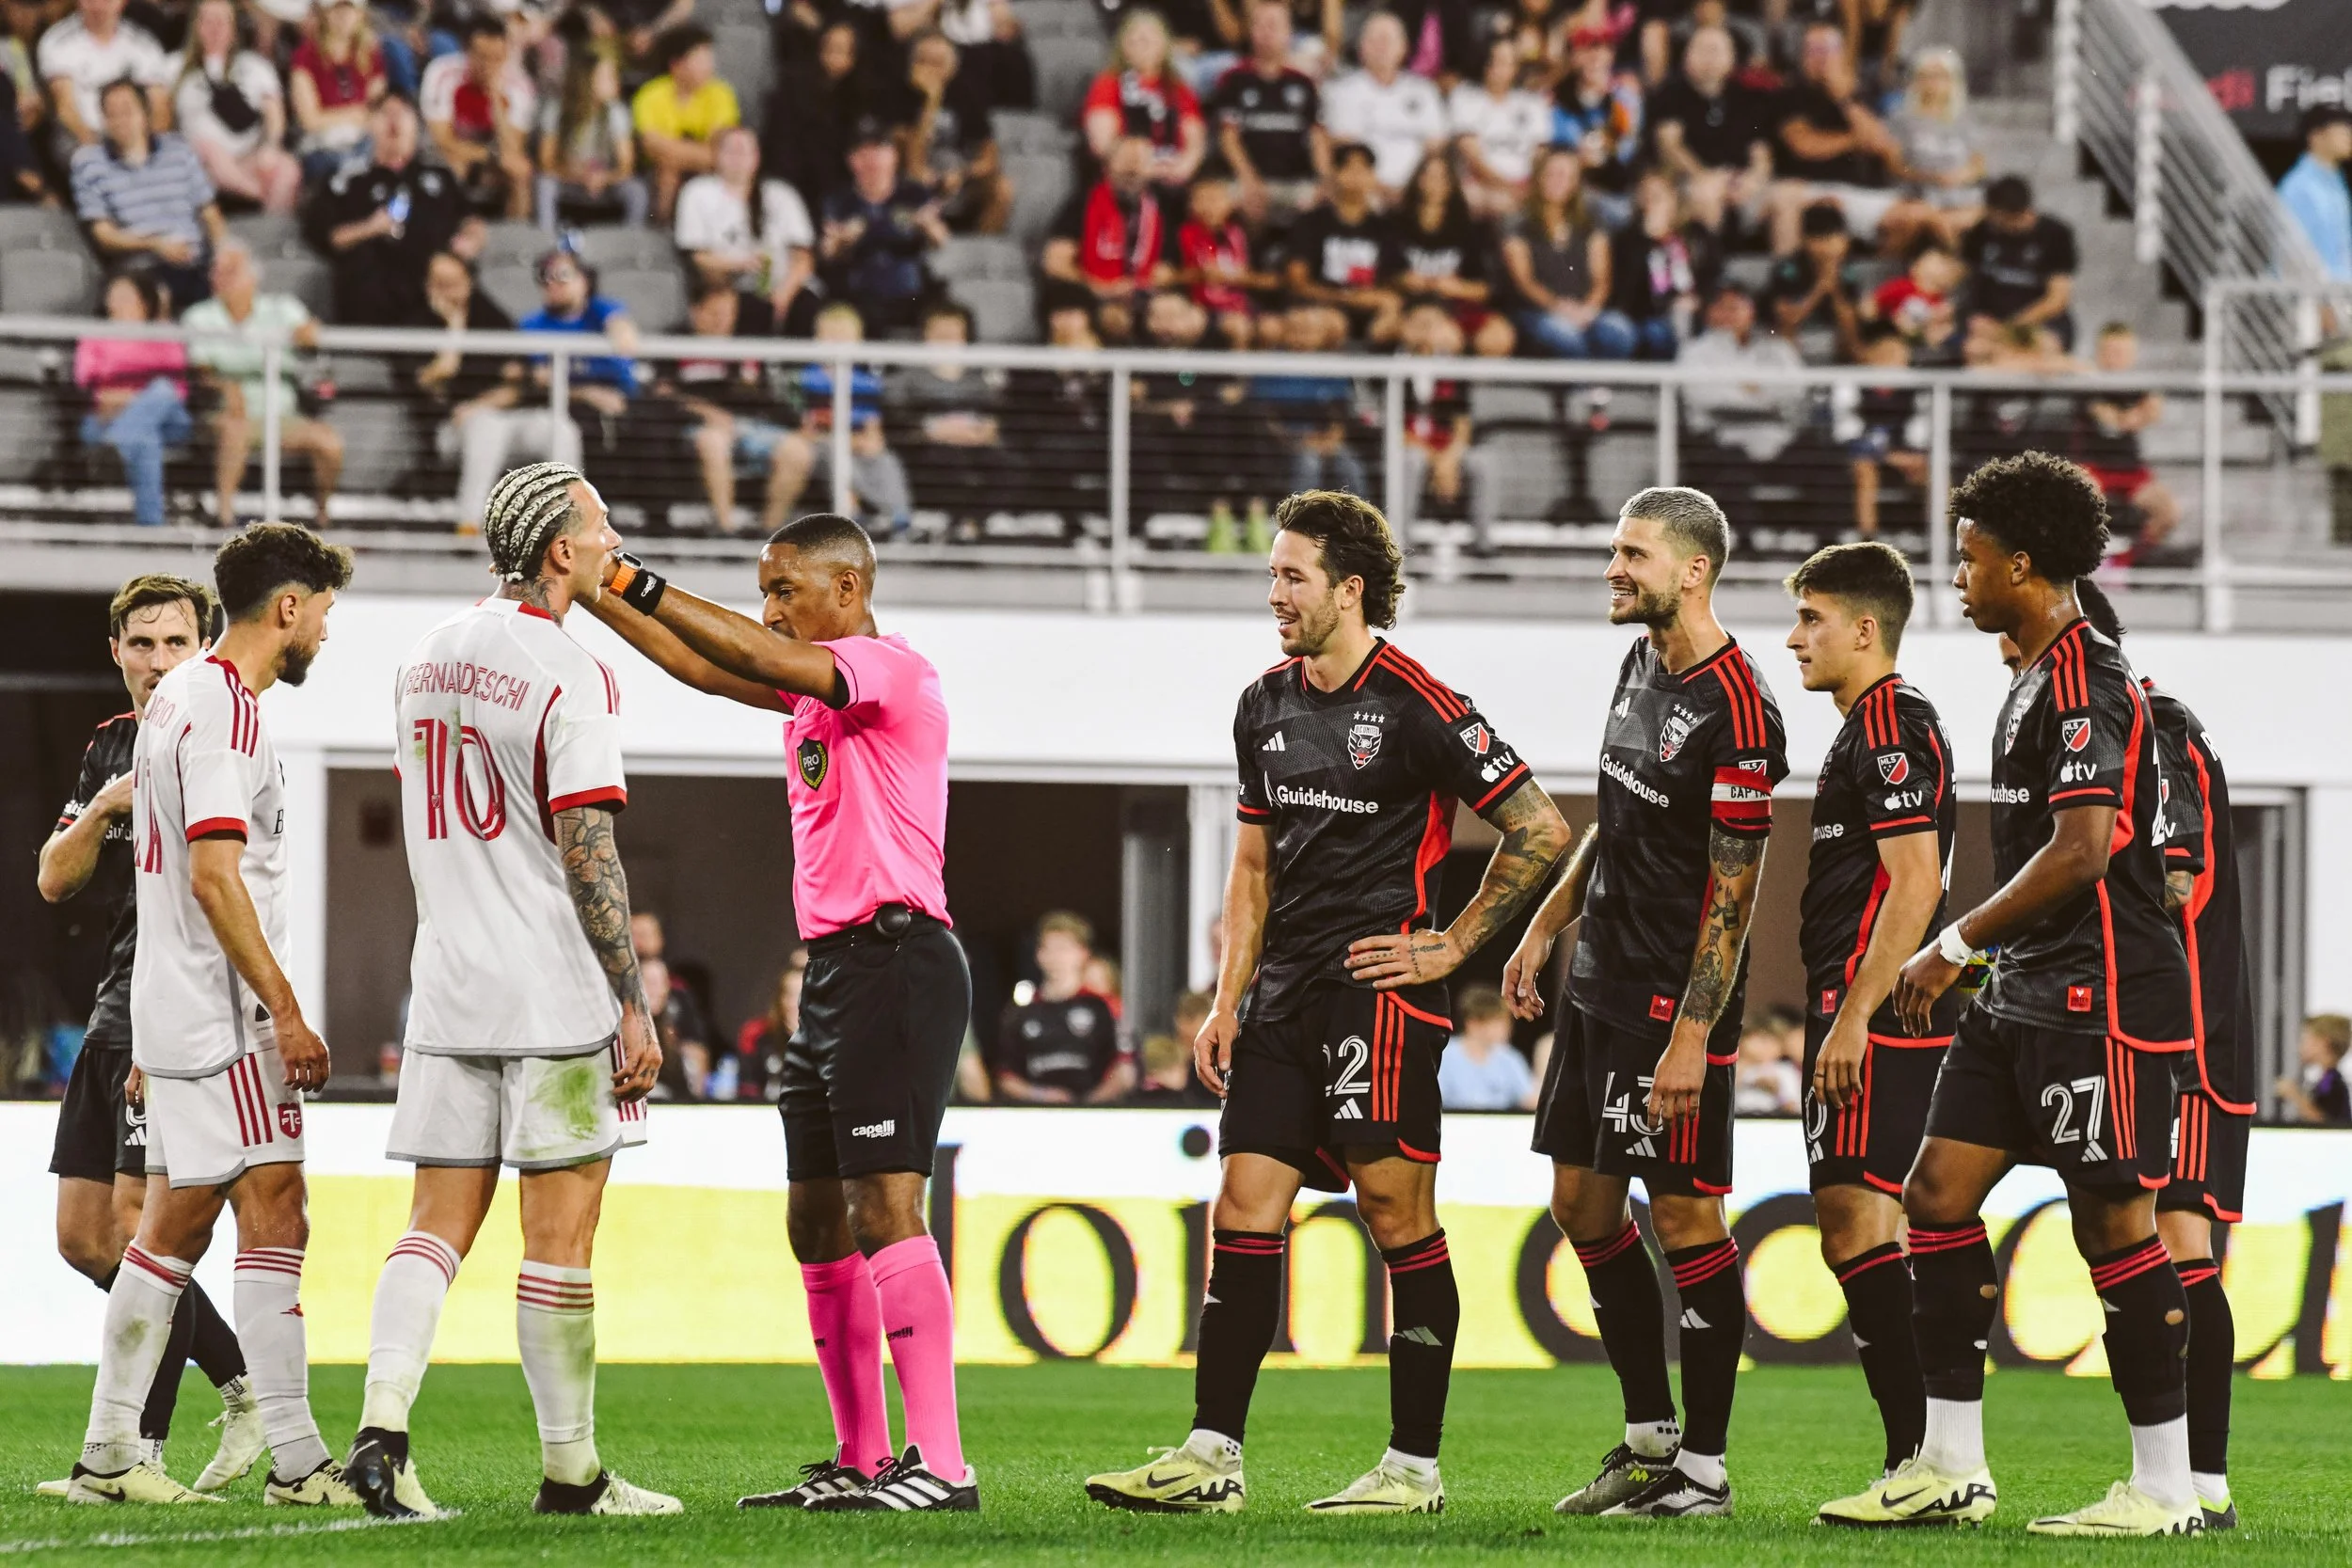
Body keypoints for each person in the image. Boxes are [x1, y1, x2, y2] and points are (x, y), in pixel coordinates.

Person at [1085, 490, 1570, 1516]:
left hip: (1378, 998)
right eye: (1271, 574)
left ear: (1350, 589)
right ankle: (1211, 1455)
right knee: (1242, 1209)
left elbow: (1540, 827)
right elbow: (1252, 866)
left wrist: (1452, 943)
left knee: (1397, 1217)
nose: (1275, 593)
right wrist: (1226, 998)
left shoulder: (1420, 702)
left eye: (1291, 575)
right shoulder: (1261, 704)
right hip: (1280, 999)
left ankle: (1413, 1468)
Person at [585, 514, 976, 1512]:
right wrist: (587, 590)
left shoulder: (890, 669)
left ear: (847, 589)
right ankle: (863, 1455)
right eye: (763, 591)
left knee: (886, 1205)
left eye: (783, 589)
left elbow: (750, 654)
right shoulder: (814, 693)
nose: (767, 610)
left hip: (898, 958)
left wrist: (626, 577)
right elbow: (705, 666)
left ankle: (941, 1464)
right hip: (835, 971)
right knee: (816, 1221)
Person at [1856, 451, 2201, 1535]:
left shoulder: (2086, 681)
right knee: (1934, 1194)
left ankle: (2166, 1487)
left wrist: (1951, 941)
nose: (1955, 577)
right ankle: (1949, 1465)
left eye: (1967, 558)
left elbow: (2083, 849)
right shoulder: (2029, 676)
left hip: (2102, 996)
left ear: (2019, 563)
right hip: (2021, 995)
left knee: (2112, 1224)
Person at [342, 464, 675, 1521]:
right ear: (562, 550)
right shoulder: (572, 668)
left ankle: (380, 1432)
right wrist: (632, 998)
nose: (615, 540)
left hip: (447, 984)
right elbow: (587, 848)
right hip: (554, 992)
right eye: (603, 525)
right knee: (560, 1241)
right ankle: (572, 1473)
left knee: (432, 1227)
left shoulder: (423, 656)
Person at [1506, 485, 1788, 1518]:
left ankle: (1703, 1471)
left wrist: (1692, 1034)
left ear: (1693, 569)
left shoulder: (1741, 708)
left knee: (1682, 1213)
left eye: (1632, 554)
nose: (1613, 569)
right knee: (1579, 1205)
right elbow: (1615, 818)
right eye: (1614, 551)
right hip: (1598, 984)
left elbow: (1734, 889)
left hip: (1673, 1003)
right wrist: (1546, 921)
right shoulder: (1637, 663)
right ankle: (1647, 1439)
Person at [62, 523, 353, 1506]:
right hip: (230, 1021)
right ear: (287, 607)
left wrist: (159, 1034)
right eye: (322, 612)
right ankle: (295, 1461)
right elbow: (215, 877)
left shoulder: (179, 702)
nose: (324, 631)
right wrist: (287, 1011)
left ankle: (112, 1453)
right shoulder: (221, 706)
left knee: (180, 1228)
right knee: (266, 1215)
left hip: (179, 1012)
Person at [35, 576, 260, 1504]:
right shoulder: (110, 746)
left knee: (140, 1231)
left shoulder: (220, 736)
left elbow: (232, 887)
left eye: (176, 643)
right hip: (113, 1007)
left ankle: (141, 1451)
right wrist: (104, 807)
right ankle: (242, 1386)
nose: (159, 661)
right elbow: (54, 878)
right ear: (117, 652)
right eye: (142, 644)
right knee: (83, 1237)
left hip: (173, 1013)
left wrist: (187, 1022)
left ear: (204, 647)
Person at [2057, 579, 2247, 1529]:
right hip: (2161, 1025)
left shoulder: (2154, 722)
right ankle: (2183, 1477)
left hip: (2185, 1036)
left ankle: (2200, 1482)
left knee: (2180, 1240)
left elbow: (2176, 883)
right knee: (2156, 1238)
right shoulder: (2143, 721)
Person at [1774, 541, 1959, 1506]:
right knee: (1865, 1225)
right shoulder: (1868, 726)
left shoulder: (1889, 719)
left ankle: (1925, 1458)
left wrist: (1852, 1016)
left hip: (1873, 1012)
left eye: (1810, 618)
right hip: (1859, 1005)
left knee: (1856, 1222)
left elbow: (1915, 881)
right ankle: (1923, 1459)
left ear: (1864, 627)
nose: (1794, 637)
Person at [183, 243, 342, 531]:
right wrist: (227, 387)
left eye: (230, 271)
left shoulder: (283, 308)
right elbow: (201, 370)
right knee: (235, 429)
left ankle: (322, 518)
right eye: (216, 271)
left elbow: (309, 336)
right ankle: (225, 519)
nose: (219, 277)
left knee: (329, 442)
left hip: (282, 417)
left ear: (252, 278)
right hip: (225, 414)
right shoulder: (199, 316)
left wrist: (311, 335)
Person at [71, 76, 224, 310]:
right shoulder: (90, 163)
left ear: (145, 114)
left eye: (127, 111)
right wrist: (156, 245)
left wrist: (223, 255)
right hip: (140, 268)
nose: (120, 120)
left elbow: (211, 215)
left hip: (195, 264)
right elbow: (104, 234)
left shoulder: (179, 151)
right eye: (111, 114)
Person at [314, 95, 469, 328]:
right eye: (385, 113)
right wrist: (370, 227)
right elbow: (331, 237)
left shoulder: (441, 177)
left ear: (417, 125)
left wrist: (469, 240)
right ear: (369, 124)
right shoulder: (347, 181)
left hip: (434, 288)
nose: (394, 120)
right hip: (372, 292)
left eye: (403, 112)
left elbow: (471, 220)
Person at [657, 281, 797, 533]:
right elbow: (661, 394)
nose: (722, 321)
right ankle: (726, 530)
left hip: (749, 426)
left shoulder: (743, 348)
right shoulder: (673, 344)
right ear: (695, 311)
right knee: (714, 441)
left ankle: (770, 533)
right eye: (714, 313)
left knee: (797, 451)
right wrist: (706, 412)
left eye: (729, 313)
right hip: (698, 427)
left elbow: (766, 397)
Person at [774, 303, 913, 534]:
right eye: (831, 336)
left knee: (886, 460)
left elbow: (874, 431)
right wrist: (843, 442)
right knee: (837, 455)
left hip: (856, 444)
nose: (838, 343)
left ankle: (901, 519)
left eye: (845, 337)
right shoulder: (803, 379)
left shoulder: (866, 383)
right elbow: (806, 430)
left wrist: (867, 443)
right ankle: (855, 516)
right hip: (819, 446)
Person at [1769, 23, 1900, 256]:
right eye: (1814, 50)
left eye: (1828, 50)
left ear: (1843, 54)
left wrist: (1845, 100)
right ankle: (1787, 274)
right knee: (1787, 201)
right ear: (1803, 56)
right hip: (1807, 186)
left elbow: (1881, 144)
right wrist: (1856, 140)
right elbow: (1805, 145)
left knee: (1915, 218)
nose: (1822, 58)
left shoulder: (1858, 94)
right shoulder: (1789, 93)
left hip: (1860, 188)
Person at [75, 273, 191, 528]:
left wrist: (126, 398)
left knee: (162, 390)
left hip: (168, 420)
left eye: (126, 295)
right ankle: (151, 529)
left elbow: (177, 390)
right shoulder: (95, 335)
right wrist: (137, 399)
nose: (118, 301)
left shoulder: (163, 334)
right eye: (113, 294)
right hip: (105, 420)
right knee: (145, 438)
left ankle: (117, 445)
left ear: (144, 301)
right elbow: (87, 384)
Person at [676, 126, 816, 336]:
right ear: (716, 155)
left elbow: (803, 257)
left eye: (744, 150)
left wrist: (784, 294)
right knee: (737, 307)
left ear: (757, 157)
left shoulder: (782, 194)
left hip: (784, 286)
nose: (737, 157)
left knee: (808, 308)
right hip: (728, 286)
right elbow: (696, 256)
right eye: (730, 150)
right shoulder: (698, 192)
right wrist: (739, 264)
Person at [169, 0, 298, 214]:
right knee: (206, 148)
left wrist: (270, 146)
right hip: (200, 161)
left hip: (250, 155)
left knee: (287, 169)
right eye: (207, 21)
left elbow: (275, 116)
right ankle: (257, 194)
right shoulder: (173, 66)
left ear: (235, 28)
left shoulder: (256, 65)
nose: (215, 28)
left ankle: (272, 224)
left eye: (222, 21)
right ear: (195, 26)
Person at [818, 123, 946, 337]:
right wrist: (843, 241)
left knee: (945, 314)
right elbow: (827, 251)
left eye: (879, 151)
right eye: (864, 153)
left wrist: (927, 225)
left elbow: (941, 239)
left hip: (911, 289)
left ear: (894, 156)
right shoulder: (838, 201)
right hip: (860, 288)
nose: (872, 160)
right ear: (851, 160)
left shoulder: (915, 194)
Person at [2067, 322, 2181, 562]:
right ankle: (2090, 560)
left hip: (2130, 470)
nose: (2116, 358)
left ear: (2132, 356)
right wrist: (2132, 416)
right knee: (2082, 501)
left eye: (2122, 353)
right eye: (2110, 352)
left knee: (2169, 513)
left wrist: (2140, 412)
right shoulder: (2086, 385)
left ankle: (2126, 560)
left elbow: (2154, 410)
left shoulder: (2135, 386)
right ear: (2099, 354)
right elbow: (2111, 418)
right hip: (2094, 468)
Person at [1040, 134, 1167, 345]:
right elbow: (1055, 263)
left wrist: (1142, 284)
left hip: (1139, 296)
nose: (1133, 169)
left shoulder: (1160, 209)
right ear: (1107, 166)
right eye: (1126, 162)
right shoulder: (1082, 204)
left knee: (1179, 317)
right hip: (1089, 293)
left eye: (1141, 162)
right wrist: (1102, 288)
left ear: (1153, 169)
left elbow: (1167, 269)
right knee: (1109, 320)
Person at [1502, 147, 1628, 360]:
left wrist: (1588, 308)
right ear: (1539, 176)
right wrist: (1558, 306)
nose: (1558, 180)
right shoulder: (1518, 223)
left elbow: (1601, 278)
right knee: (1564, 336)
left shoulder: (1591, 222)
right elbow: (1524, 281)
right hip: (1538, 310)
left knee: (1619, 331)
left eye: (1566, 175)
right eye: (1552, 173)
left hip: (1584, 307)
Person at [1208, 0, 1326, 225]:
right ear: (1250, 30)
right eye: (1259, 25)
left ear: (1289, 32)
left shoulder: (1303, 83)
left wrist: (1325, 179)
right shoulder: (1233, 79)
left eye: (1273, 25)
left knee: (1324, 202)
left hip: (1295, 183)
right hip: (1243, 180)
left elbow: (1317, 137)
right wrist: (1249, 180)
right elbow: (1228, 137)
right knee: (1219, 201)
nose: (1266, 32)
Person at [1645, 24, 1770, 237]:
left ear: (1731, 58)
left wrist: (1754, 178)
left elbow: (1760, 149)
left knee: (1784, 199)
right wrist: (1703, 175)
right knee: (1705, 195)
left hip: (1739, 178)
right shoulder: (1670, 94)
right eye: (1702, 49)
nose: (1709, 57)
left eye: (1716, 50)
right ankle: (1712, 258)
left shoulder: (1746, 97)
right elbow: (1670, 146)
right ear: (1686, 56)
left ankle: (1786, 260)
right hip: (1689, 179)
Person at [993, 911, 1131, 1104]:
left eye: (1063, 949)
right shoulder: (1020, 1013)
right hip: (1037, 1113)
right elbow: (1006, 1076)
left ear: (1083, 953)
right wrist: (1040, 1096)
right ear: (1038, 955)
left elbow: (1125, 1068)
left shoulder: (1104, 1007)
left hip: (1095, 1113)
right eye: (1049, 949)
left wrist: (1088, 1105)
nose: (1056, 957)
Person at [882, 29, 1006, 234]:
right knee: (913, 185)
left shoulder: (967, 95)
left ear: (952, 67)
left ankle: (981, 247)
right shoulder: (899, 96)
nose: (930, 69)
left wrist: (962, 174)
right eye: (923, 61)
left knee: (1002, 189)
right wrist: (931, 101)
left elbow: (989, 157)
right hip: (909, 183)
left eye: (937, 62)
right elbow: (912, 163)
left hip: (956, 177)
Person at [1387, 153, 1510, 356]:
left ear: (1452, 183)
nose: (1435, 183)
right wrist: (1404, 280)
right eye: (1429, 176)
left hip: (1457, 304)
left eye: (1442, 177)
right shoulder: (1395, 222)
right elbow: (1384, 274)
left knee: (1498, 337)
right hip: (1411, 303)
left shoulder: (1472, 228)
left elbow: (1487, 287)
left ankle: (1470, 377)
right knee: (1431, 331)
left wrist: (1456, 288)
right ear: (1417, 179)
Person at [1282, 140, 1400, 347]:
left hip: (1369, 310)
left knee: (1398, 321)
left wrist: (1382, 300)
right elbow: (1297, 281)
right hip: (1320, 307)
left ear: (1373, 177)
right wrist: (1346, 297)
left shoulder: (1385, 227)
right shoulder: (1311, 222)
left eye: (1363, 169)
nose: (1356, 176)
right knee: (1332, 323)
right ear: (1334, 174)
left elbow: (1394, 280)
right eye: (1349, 168)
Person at [1320, 9, 1444, 203]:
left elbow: (1435, 147)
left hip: (1417, 191)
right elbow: (1344, 147)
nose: (1381, 47)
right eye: (1374, 41)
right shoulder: (1343, 91)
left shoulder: (1424, 91)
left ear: (1404, 47)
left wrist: (1412, 189)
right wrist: (1381, 188)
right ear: (1361, 48)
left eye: (1387, 40)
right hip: (1364, 191)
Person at [419, 15, 534, 219]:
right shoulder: (441, 73)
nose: (488, 65)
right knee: (456, 165)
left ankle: (516, 231)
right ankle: (448, 227)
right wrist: (492, 157)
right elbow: (443, 141)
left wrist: (496, 100)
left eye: (497, 58)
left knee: (520, 171)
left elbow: (513, 149)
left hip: (490, 157)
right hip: (447, 154)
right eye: (482, 56)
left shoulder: (519, 86)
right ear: (467, 51)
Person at [1082, 8, 1204, 192]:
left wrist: (1185, 166)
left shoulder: (1179, 88)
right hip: (1124, 179)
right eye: (1135, 40)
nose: (1142, 45)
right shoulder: (1108, 83)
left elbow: (1194, 139)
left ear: (1165, 44)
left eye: (1149, 39)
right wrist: (1145, 168)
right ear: (1122, 46)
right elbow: (1103, 144)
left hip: (1174, 175)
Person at [535, 31, 646, 230]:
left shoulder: (616, 112)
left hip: (605, 181)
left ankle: (632, 237)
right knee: (545, 184)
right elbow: (547, 162)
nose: (616, 82)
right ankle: (545, 234)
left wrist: (605, 177)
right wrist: (578, 175)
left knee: (636, 190)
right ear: (587, 79)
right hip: (568, 179)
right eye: (608, 77)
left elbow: (626, 164)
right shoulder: (557, 110)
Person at [38, 0, 169, 167]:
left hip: (138, 139)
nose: (98, 6)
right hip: (81, 139)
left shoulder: (144, 43)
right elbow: (65, 108)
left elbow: (159, 106)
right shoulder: (57, 41)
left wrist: (151, 152)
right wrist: (102, 155)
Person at [632, 24, 740, 222]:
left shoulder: (721, 93)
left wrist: (673, 153)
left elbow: (721, 149)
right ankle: (661, 227)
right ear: (676, 65)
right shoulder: (650, 95)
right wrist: (700, 154)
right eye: (700, 60)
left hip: (710, 170)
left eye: (710, 59)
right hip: (658, 172)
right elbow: (651, 147)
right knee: (667, 171)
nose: (709, 67)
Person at [1608, 166, 1715, 360]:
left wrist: (1699, 301)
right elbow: (1626, 293)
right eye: (1645, 197)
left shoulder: (1695, 234)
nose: (1650, 204)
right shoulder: (1627, 239)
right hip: (1649, 316)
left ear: (1673, 199)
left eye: (1657, 197)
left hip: (1694, 313)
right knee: (1655, 332)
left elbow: (1712, 275)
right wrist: (1647, 241)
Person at [1961, 176, 2077, 352]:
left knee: (2043, 346)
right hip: (1990, 321)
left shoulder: (2056, 234)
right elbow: (1964, 274)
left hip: (2039, 322)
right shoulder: (1982, 231)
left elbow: (2057, 299)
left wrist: (2011, 327)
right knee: (1975, 349)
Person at [1887, 47, 1983, 249]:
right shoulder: (1901, 118)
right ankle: (1953, 259)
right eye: (1926, 76)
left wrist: (1962, 175)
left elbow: (1979, 165)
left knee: (1975, 217)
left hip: (1960, 196)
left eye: (1941, 76)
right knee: (1933, 220)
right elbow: (1894, 166)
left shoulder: (1966, 119)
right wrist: (1931, 177)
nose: (1933, 82)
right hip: (1917, 195)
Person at [1446, 34, 1548, 219]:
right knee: (1475, 197)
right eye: (1497, 60)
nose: (1501, 68)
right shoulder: (1465, 96)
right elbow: (1472, 156)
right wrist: (1507, 187)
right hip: (1481, 184)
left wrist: (1528, 189)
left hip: (1525, 185)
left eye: (1509, 62)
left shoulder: (1532, 101)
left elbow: (1540, 153)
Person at [1174, 171, 1277, 349]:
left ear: (1230, 205)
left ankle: (1262, 367)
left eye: (1215, 200)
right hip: (1205, 305)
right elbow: (1183, 273)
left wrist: (1234, 276)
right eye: (1203, 199)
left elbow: (1248, 274)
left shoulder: (1236, 234)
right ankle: (1239, 367)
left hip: (1238, 303)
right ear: (1192, 205)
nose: (1209, 206)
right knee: (1238, 327)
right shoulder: (1187, 233)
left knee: (1271, 327)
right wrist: (1209, 275)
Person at [288, 0, 384, 180]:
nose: (343, 17)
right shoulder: (306, 56)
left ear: (360, 14)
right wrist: (354, 114)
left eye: (349, 10)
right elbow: (309, 120)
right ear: (325, 14)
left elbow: (377, 106)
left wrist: (360, 116)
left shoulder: (369, 54)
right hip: (323, 145)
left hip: (363, 140)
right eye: (337, 11)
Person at [1768, 198, 1861, 364]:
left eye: (1834, 238)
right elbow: (1789, 319)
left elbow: (1851, 323)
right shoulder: (1788, 268)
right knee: (1784, 329)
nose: (1828, 247)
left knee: (1851, 322)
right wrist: (1820, 288)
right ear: (1806, 240)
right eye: (1822, 239)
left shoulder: (1847, 270)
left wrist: (1835, 290)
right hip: (1790, 337)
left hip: (1834, 338)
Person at [2279, 103, 2352, 284]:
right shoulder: (2299, 187)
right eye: (2342, 129)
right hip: (2310, 294)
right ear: (2316, 136)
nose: (2348, 135)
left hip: (2337, 292)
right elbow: (2292, 256)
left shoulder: (2336, 184)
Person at [1437, 987, 1535, 1111]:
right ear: (1473, 1023)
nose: (1506, 1028)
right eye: (1497, 1022)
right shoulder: (1445, 1055)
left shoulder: (1510, 1058)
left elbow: (1530, 1099)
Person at [2280, 1014, 2351, 1124]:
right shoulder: (2326, 1080)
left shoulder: (2331, 1082)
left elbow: (2325, 1123)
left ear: (2324, 1043)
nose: (2301, 1046)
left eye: (2306, 1040)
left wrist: (2294, 1095)